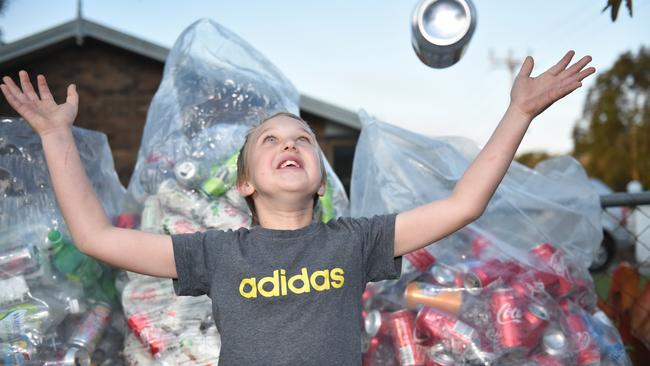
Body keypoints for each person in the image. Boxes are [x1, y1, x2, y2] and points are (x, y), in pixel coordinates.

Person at [0, 50, 594, 365]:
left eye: (303, 138)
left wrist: (518, 113)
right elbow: (96, 237)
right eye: (270, 140)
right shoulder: (215, 252)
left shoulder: (355, 241)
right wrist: (56, 136)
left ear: (318, 179)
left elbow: (464, 203)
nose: (289, 143)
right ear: (246, 185)